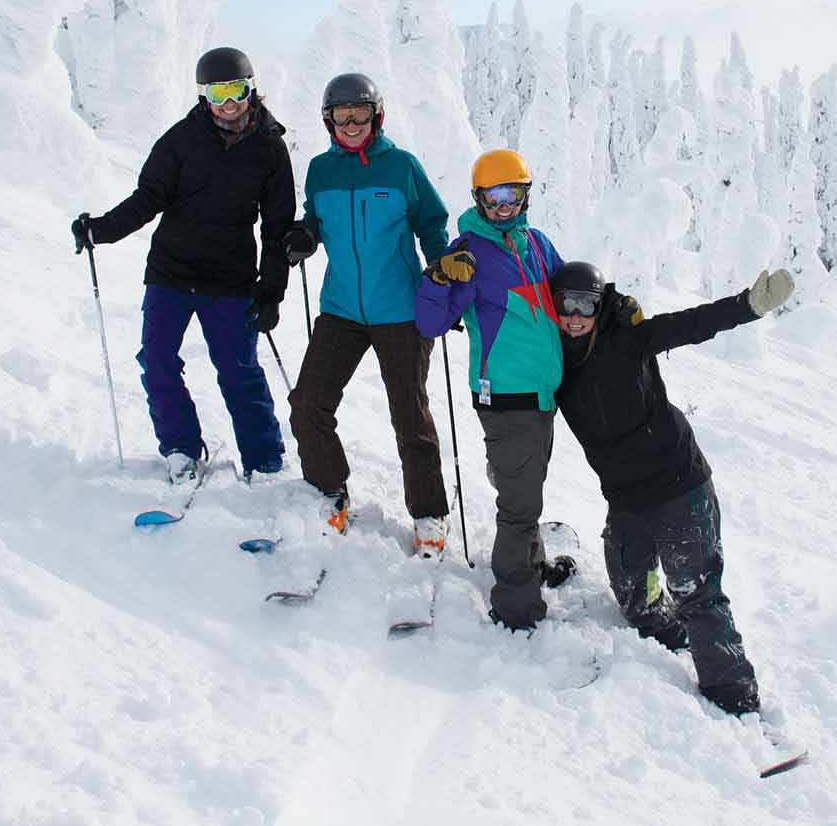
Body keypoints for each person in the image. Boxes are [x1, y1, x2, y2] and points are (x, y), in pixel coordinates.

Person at [549, 259, 794, 717]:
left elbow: (692, 324)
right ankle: (672, 636)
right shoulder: (555, 362)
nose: (576, 314)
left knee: (696, 591)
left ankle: (734, 695)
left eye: (587, 304)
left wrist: (748, 305)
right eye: (567, 304)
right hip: (626, 501)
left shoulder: (629, 339)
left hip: (679, 487)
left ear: (601, 307)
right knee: (634, 596)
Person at [71, 47, 294, 481]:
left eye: (237, 90)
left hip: (230, 280)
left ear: (252, 88)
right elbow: (147, 199)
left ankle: (264, 458)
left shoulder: (270, 150)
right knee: (157, 360)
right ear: (202, 95)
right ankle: (181, 447)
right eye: (217, 93)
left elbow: (277, 228)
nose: (228, 103)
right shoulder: (181, 140)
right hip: (171, 273)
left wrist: (271, 292)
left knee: (237, 370)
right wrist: (102, 230)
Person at [283, 73, 452, 553]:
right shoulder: (321, 170)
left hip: (399, 309)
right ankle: (330, 492)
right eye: (342, 116)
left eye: (360, 116)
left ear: (376, 118)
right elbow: (314, 222)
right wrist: (304, 236)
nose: (351, 125)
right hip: (341, 308)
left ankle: (429, 515)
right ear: (328, 120)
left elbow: (432, 225)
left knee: (409, 417)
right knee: (308, 404)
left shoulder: (401, 167)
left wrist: (441, 275)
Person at [414, 150, 569, 630]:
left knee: (527, 489)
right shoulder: (470, 252)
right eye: (494, 198)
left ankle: (533, 566)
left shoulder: (537, 244)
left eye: (513, 196)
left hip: (541, 394)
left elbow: (566, 298)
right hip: (504, 396)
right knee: (518, 506)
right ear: (478, 199)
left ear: (525, 196)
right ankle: (515, 604)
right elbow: (431, 321)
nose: (504, 207)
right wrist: (439, 277)